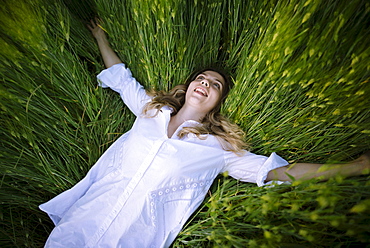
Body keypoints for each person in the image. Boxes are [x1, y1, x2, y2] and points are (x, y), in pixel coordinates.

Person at [39, 19, 370, 248]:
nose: (206, 84)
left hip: (135, 238)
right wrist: (99, 36)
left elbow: (279, 173)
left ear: (217, 101)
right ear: (189, 86)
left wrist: (355, 167)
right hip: (82, 222)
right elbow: (121, 78)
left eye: (216, 85)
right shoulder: (151, 109)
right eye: (202, 78)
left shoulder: (217, 147)